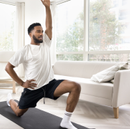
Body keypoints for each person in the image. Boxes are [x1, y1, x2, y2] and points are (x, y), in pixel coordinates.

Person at [5, 0, 81, 128]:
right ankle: (10, 100)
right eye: (38, 31)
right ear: (30, 34)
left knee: (75, 86)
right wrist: (22, 83)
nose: (41, 34)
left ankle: (66, 121)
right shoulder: (24, 50)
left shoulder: (45, 43)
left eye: (41, 31)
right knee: (18, 112)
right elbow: (8, 67)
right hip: (33, 89)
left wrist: (47, 7)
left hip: (50, 84)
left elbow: (49, 27)